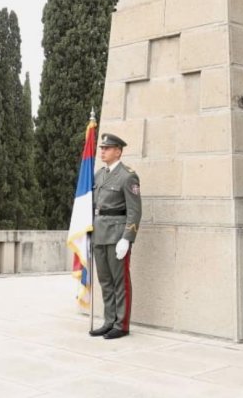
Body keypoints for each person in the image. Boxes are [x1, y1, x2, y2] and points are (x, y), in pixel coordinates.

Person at [88, 134, 142, 340]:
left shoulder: (128, 176)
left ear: (118, 151)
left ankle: (122, 324)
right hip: (99, 233)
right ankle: (109, 320)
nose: (102, 151)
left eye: (107, 148)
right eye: (102, 148)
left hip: (117, 235)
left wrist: (127, 238)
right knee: (105, 281)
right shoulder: (99, 175)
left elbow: (134, 211)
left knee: (120, 282)